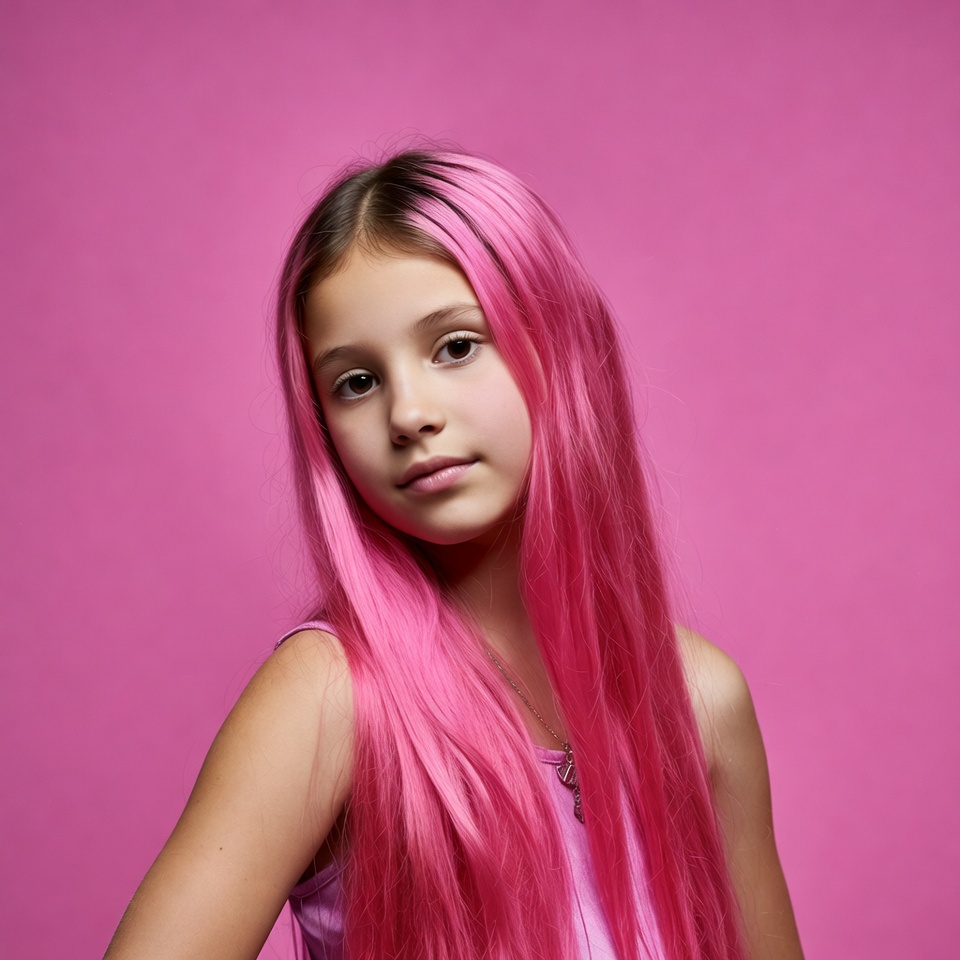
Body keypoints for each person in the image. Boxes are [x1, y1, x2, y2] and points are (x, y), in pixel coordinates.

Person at [104, 150, 804, 960]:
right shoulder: (333, 700)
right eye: (357, 382)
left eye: (456, 345)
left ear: (560, 348)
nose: (409, 413)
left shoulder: (701, 704)